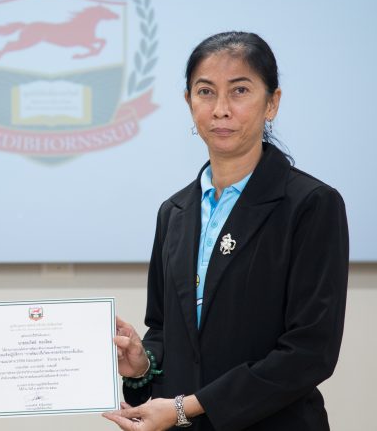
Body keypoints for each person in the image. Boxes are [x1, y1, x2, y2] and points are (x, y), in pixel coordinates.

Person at [103, 32, 349, 430]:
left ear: (272, 103)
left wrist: (188, 407)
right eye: (205, 92)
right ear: (189, 102)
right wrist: (143, 363)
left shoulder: (311, 204)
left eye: (240, 91)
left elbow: (310, 351)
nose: (220, 110)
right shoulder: (174, 212)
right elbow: (163, 329)